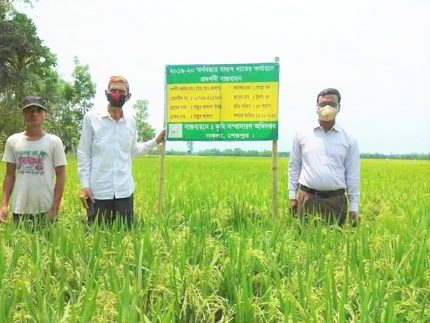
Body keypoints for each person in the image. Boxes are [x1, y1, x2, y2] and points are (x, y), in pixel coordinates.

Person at [77, 75, 165, 226]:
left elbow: (134, 151)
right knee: (97, 237)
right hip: (98, 192)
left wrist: (156, 141)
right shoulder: (91, 118)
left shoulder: (130, 123)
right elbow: (84, 153)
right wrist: (85, 185)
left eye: (121, 91)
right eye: (113, 90)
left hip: (124, 191)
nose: (117, 94)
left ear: (128, 96)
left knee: (124, 236)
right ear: (107, 93)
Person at [288, 88, 360, 226]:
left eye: (332, 104)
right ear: (316, 107)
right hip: (307, 198)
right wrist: (292, 196)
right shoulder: (302, 134)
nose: (327, 107)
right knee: (305, 241)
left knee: (334, 244)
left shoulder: (348, 139)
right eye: (322, 104)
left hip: (336, 201)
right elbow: (294, 166)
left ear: (339, 107)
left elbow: (353, 174)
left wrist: (354, 207)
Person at [0, 96, 67, 224]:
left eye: (38, 110)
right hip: (19, 208)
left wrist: (55, 206)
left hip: (46, 208)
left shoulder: (54, 142)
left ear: (45, 115)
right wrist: (4, 205)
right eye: (29, 110)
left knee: (48, 243)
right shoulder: (13, 141)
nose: (34, 114)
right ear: (23, 114)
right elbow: (9, 174)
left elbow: (61, 175)